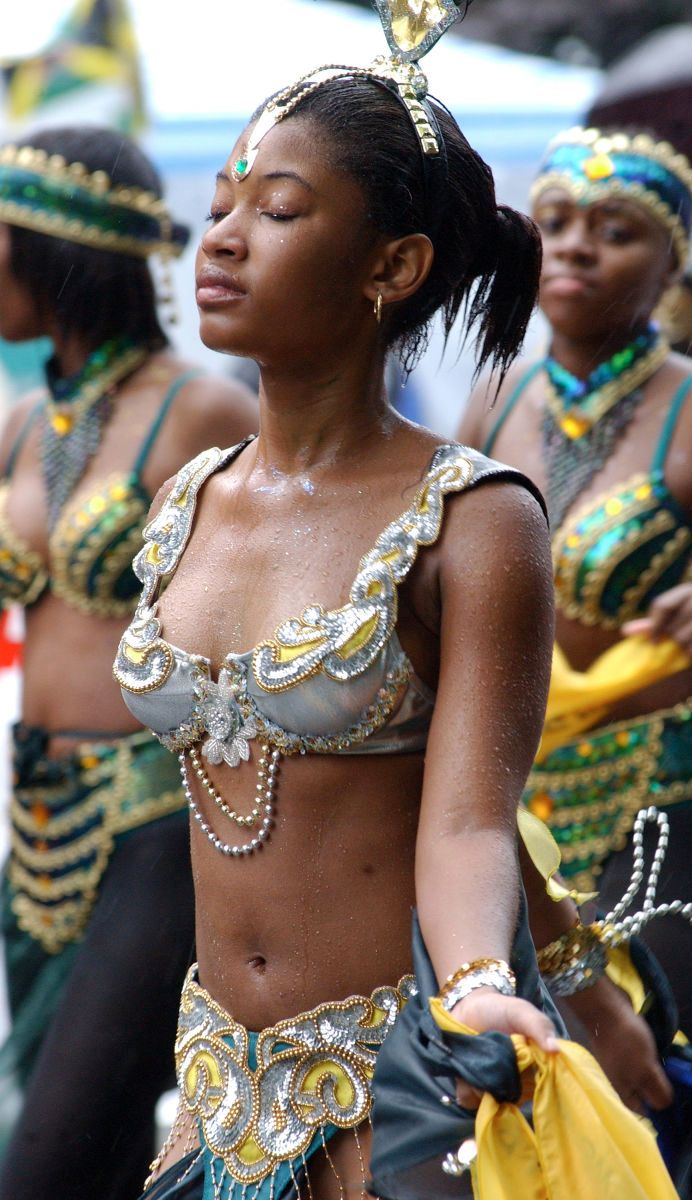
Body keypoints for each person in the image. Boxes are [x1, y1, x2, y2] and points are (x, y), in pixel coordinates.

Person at [114, 12, 681, 1193]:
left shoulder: (472, 519)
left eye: (273, 212)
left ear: (392, 266)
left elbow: (471, 816)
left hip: (402, 1093)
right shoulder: (186, 497)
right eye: (220, 205)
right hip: (216, 1088)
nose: (219, 241)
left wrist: (482, 980)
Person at [459, 126, 692, 1055]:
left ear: (674, 264)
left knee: (637, 1084)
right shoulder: (496, 398)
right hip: (515, 811)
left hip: (679, 807)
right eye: (556, 221)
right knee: (523, 1103)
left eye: (617, 228)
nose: (579, 244)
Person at [0, 126, 256, 1200]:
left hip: (156, 816)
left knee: (46, 1156)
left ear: (63, 253)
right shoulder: (19, 424)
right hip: (38, 807)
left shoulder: (199, 408)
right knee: (93, 1150)